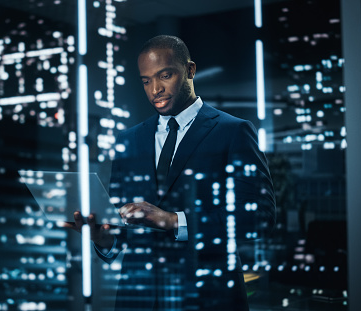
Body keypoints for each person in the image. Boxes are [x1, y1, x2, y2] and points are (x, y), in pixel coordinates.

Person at [65, 35, 276, 311]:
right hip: (139, 300)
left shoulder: (233, 131)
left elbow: (259, 217)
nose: (155, 89)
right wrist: (102, 237)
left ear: (190, 70)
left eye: (165, 75)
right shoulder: (129, 140)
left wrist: (172, 221)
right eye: (146, 81)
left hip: (208, 297)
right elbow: (123, 230)